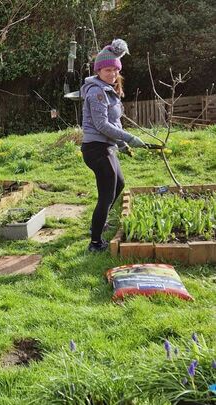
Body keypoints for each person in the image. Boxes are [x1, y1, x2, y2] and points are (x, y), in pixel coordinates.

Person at [80, 39, 146, 253]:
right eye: (107, 70)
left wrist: (122, 144)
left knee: (119, 184)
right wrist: (129, 138)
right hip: (96, 149)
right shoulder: (96, 92)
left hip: (106, 147)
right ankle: (96, 242)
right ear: (99, 70)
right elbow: (101, 125)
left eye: (114, 70)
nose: (111, 74)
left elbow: (113, 124)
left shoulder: (108, 90)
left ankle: (98, 223)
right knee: (107, 194)